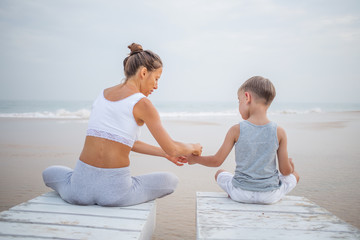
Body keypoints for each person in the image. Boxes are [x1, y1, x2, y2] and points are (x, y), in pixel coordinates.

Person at [42, 43, 202, 207]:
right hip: (116, 194)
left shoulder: (103, 95)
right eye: (156, 79)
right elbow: (173, 148)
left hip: (78, 191)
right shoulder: (143, 104)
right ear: (144, 72)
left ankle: (88, 186)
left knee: (49, 173)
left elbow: (125, 141)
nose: (156, 86)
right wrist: (193, 147)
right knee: (171, 181)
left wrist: (164, 154)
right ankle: (126, 185)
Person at [187, 76, 299, 204]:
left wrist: (194, 159)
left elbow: (216, 161)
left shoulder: (236, 130)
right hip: (269, 195)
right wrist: (291, 166)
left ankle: (233, 192)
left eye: (239, 101)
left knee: (220, 173)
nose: (239, 105)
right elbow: (285, 171)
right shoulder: (279, 132)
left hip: (240, 193)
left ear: (247, 97)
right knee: (295, 175)